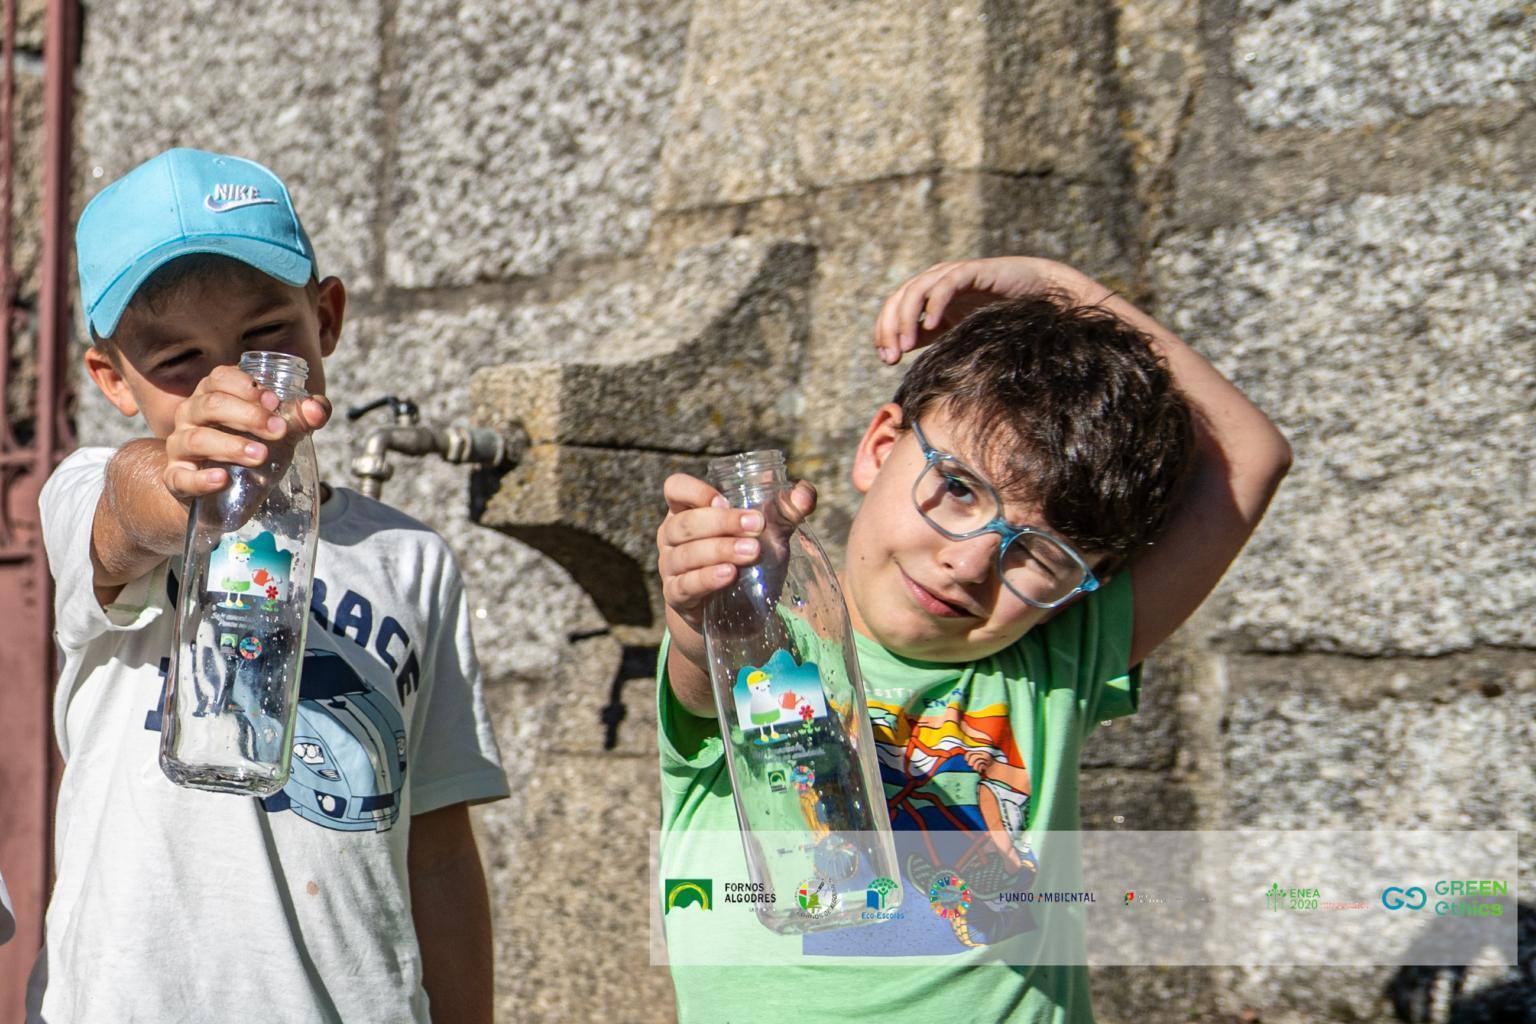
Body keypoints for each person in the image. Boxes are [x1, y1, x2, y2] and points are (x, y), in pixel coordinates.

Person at [654, 256, 1292, 1021]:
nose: (969, 563)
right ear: (881, 446)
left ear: (1083, 580)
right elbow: (712, 666)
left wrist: (1051, 283)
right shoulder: (761, 637)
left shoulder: (1054, 660)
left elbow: (1253, 456)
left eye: (1039, 553)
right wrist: (713, 603)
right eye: (957, 489)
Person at [30, 148, 508, 1023]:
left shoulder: (410, 557)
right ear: (111, 379)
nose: (232, 382)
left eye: (265, 337)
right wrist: (182, 482)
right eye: (178, 358)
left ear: (325, 317)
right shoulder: (90, 486)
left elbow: (436, 843)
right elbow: (126, 514)